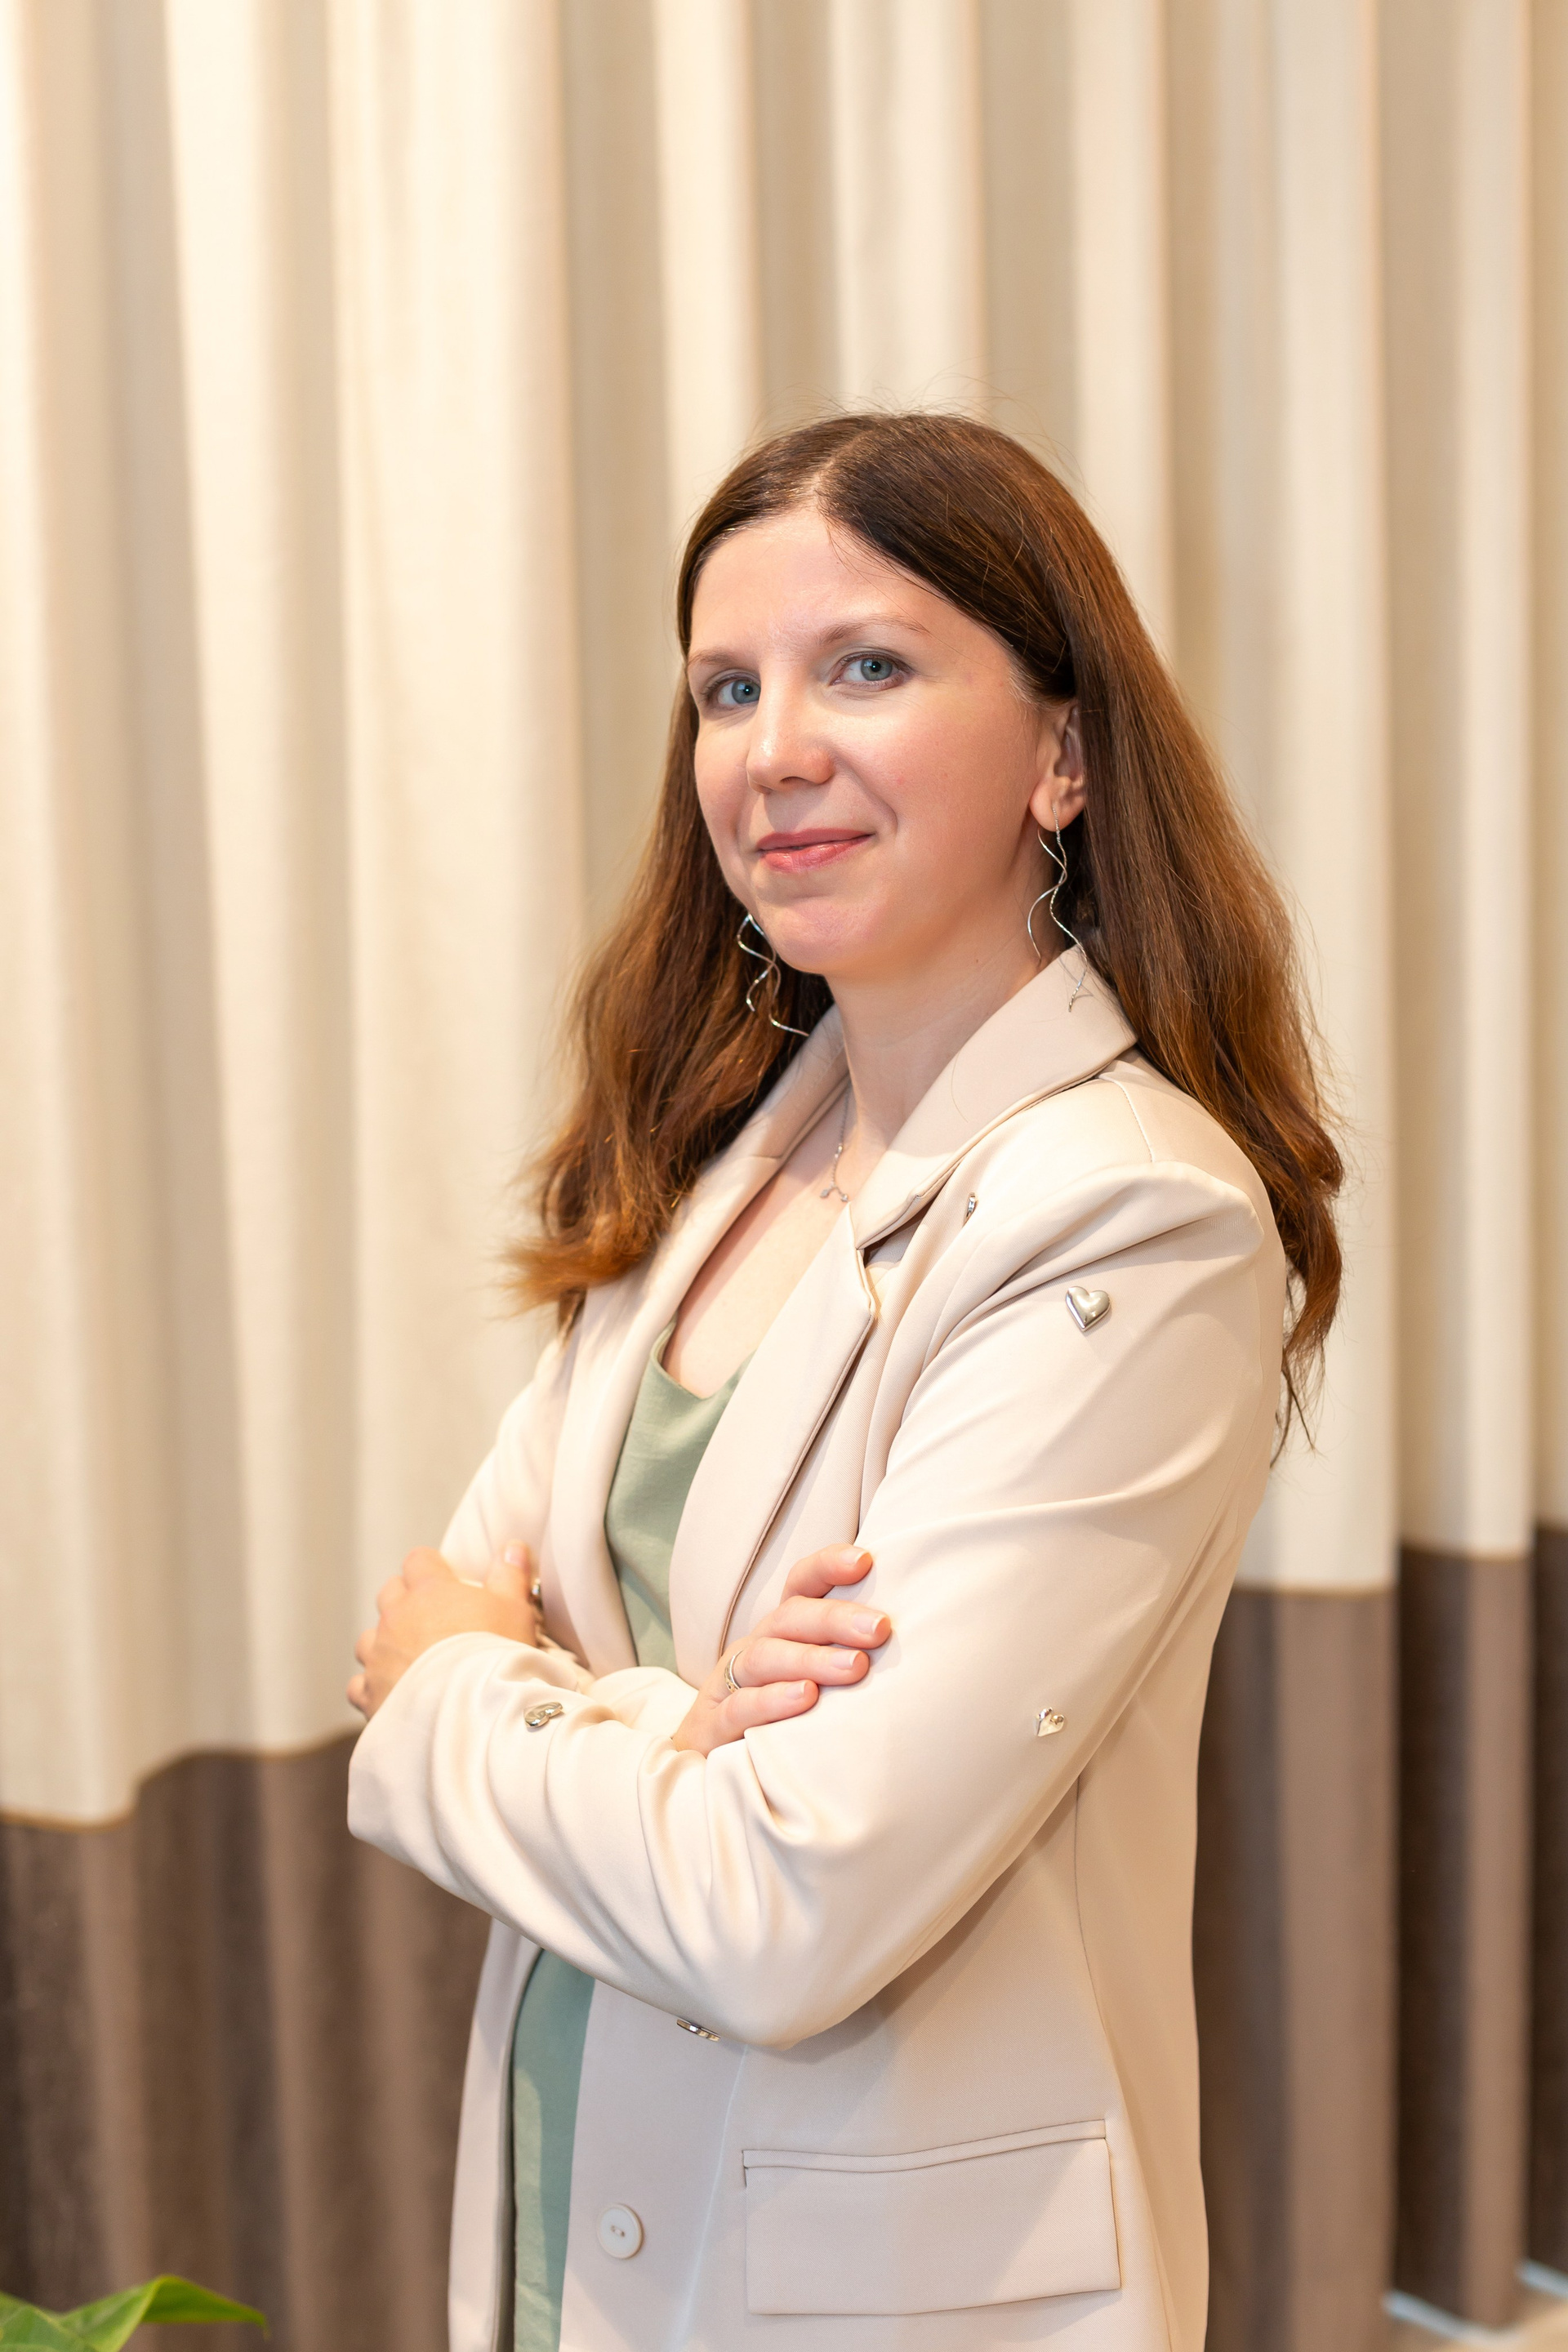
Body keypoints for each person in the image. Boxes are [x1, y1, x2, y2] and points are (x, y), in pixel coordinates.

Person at [346, 412, 1342, 2352]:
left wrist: (507, 1693)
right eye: (727, 689)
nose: (772, 748)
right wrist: (695, 1724)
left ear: (1064, 755)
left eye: (865, 667)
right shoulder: (724, 1152)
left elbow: (776, 1910)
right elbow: (426, 1612)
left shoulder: (1129, 1217)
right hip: (577, 2201)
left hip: (883, 2287)